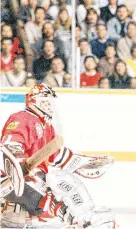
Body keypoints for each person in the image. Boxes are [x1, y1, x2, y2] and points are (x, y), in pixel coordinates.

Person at [0, 84, 115, 228]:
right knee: (57, 184)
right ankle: (82, 220)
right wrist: (20, 164)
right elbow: (11, 145)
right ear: (36, 101)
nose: (50, 105)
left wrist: (84, 161)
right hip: (16, 179)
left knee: (56, 185)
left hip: (30, 180)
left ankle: (14, 214)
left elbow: (56, 155)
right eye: (47, 100)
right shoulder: (23, 117)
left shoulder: (47, 126)